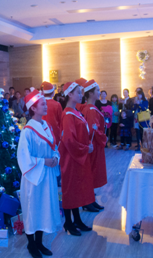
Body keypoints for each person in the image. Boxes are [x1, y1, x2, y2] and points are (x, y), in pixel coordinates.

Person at [17, 89, 61, 258]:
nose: (46, 106)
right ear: (33, 108)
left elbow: (53, 147)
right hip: (33, 177)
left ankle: (40, 242)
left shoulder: (46, 126)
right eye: (43, 104)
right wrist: (44, 162)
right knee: (32, 208)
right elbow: (23, 157)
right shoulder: (27, 131)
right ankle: (31, 244)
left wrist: (56, 156)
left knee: (44, 208)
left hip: (47, 175)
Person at [59, 82, 94, 237]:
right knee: (69, 190)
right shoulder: (67, 115)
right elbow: (68, 140)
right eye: (78, 92)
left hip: (78, 157)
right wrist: (85, 149)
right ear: (70, 95)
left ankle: (77, 220)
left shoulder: (76, 112)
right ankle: (68, 222)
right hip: (71, 158)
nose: (81, 95)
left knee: (77, 189)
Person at [81, 80, 107, 212]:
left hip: (95, 145)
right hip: (94, 145)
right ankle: (88, 200)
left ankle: (91, 199)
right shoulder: (90, 110)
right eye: (97, 90)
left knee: (92, 172)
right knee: (91, 172)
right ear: (90, 93)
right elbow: (92, 131)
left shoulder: (90, 108)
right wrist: (103, 137)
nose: (99, 92)